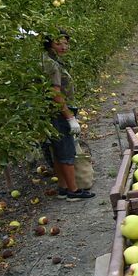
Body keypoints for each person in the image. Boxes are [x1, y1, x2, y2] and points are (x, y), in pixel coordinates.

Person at [42, 32, 95, 200]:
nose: (64, 47)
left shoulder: (49, 60)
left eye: (65, 43)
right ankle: (73, 191)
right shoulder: (51, 64)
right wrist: (69, 117)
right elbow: (55, 93)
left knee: (58, 150)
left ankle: (63, 188)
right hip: (58, 112)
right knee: (66, 150)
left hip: (52, 111)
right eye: (58, 43)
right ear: (50, 44)